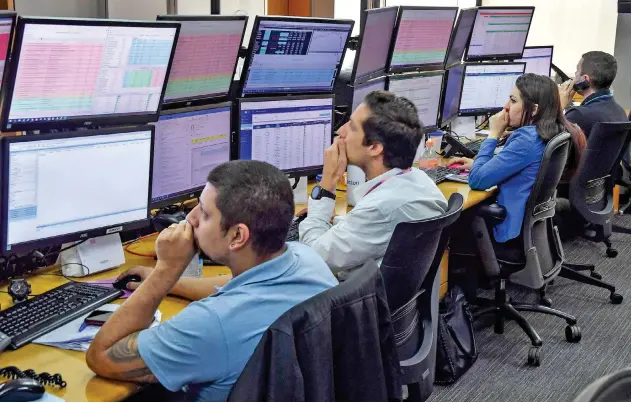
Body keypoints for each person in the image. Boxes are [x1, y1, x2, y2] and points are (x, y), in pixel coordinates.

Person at [86, 160, 338, 402]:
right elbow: (237, 285)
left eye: (205, 213)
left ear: (237, 235)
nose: (191, 219)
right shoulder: (306, 258)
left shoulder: (210, 325)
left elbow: (101, 356)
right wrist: (168, 282)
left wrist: (166, 270)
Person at [299, 90, 448, 273]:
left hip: (349, 297)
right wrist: (340, 223)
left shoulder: (380, 209)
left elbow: (313, 259)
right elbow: (378, 232)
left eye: (352, 127)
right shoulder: (419, 179)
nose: (340, 131)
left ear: (375, 147)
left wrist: (327, 183)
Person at [450, 73, 579, 244]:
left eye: (513, 100)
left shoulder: (526, 139)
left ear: (534, 109)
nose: (506, 107)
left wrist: (494, 134)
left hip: (508, 229)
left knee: (451, 218)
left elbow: (477, 180)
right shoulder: (552, 129)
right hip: (529, 229)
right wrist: (479, 164)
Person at [559, 51, 628, 138]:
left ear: (585, 79)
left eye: (577, 71)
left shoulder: (578, 115)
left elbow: (545, 145)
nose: (574, 76)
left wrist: (559, 106)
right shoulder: (620, 112)